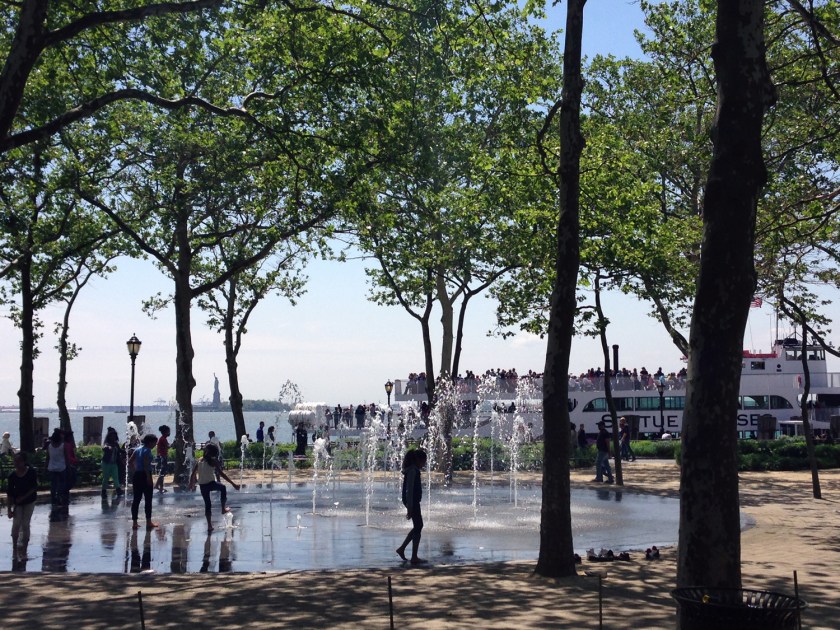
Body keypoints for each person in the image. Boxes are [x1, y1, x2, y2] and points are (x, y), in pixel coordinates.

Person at [189, 443, 240, 531]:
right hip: (211, 484)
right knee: (222, 488)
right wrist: (233, 484)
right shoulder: (213, 461)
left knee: (207, 504)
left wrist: (191, 484)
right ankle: (223, 508)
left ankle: (209, 525)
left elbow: (193, 474)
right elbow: (222, 474)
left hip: (203, 486)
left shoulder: (200, 460)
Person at [396, 448, 428, 565]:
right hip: (412, 501)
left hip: (413, 501)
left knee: (418, 526)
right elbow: (409, 490)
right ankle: (413, 556)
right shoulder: (412, 471)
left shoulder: (412, 470)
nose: (424, 464)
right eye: (424, 462)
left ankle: (402, 549)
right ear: (418, 460)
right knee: (419, 526)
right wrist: (409, 507)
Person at [7, 451, 37, 556]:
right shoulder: (12, 476)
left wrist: (23, 497)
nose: (17, 463)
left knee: (25, 524)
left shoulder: (31, 472)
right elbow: (9, 493)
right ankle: (15, 546)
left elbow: (33, 488)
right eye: (15, 461)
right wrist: (9, 509)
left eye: (19, 461)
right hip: (18, 503)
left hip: (29, 501)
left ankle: (24, 547)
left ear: (24, 462)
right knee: (16, 524)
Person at [128, 434, 159, 529]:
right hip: (145, 475)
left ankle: (134, 523)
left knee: (136, 500)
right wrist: (149, 478)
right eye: (154, 442)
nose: (155, 445)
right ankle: (148, 522)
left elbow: (130, 462)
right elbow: (146, 465)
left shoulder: (137, 450)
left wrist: (135, 471)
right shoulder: (147, 451)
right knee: (148, 500)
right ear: (150, 442)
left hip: (137, 475)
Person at [46, 428, 67, 505]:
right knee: (62, 483)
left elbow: (47, 458)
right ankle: (59, 497)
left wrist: (45, 467)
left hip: (51, 468)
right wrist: (68, 468)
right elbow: (66, 458)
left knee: (53, 484)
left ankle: (53, 498)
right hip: (61, 467)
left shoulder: (49, 446)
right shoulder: (62, 446)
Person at [101, 427, 123, 495]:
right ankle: (103, 491)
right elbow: (104, 447)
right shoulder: (107, 443)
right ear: (109, 436)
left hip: (114, 463)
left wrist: (127, 451)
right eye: (112, 436)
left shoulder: (116, 444)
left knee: (115, 477)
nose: (113, 437)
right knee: (106, 478)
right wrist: (108, 447)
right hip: (106, 463)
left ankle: (118, 490)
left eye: (114, 436)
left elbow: (119, 450)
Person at [154, 425, 171, 493]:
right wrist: (173, 444)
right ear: (165, 432)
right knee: (162, 473)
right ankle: (161, 487)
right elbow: (168, 446)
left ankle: (157, 485)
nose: (169, 432)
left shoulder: (162, 438)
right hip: (162, 457)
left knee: (162, 472)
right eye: (168, 431)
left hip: (162, 456)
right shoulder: (163, 439)